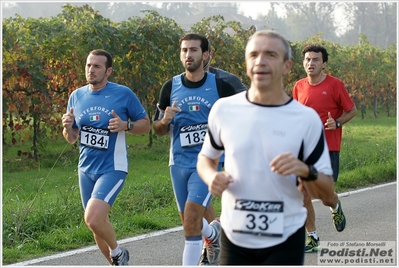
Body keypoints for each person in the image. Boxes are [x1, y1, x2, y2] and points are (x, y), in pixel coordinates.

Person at [196, 29, 340, 265]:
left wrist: (305, 170)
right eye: (254, 54)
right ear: (246, 63)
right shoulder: (224, 109)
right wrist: (211, 176)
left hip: (285, 237)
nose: (260, 61)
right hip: (236, 235)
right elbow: (205, 159)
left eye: (270, 54)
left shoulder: (305, 119)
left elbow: (326, 189)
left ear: (286, 66)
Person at [153, 33, 237, 266]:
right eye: (184, 50)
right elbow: (158, 130)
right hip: (178, 163)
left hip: (209, 162)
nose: (188, 55)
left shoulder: (221, 86)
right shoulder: (170, 87)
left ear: (206, 54)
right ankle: (213, 235)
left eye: (193, 50)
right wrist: (165, 120)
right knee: (190, 221)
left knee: (191, 218)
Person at [61, 49, 151, 266]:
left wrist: (125, 125)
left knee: (92, 217)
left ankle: (119, 253)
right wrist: (66, 128)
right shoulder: (77, 95)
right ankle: (116, 263)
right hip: (85, 169)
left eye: (97, 66)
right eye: (88, 65)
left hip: (112, 167)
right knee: (96, 224)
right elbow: (72, 138)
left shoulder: (123, 94)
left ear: (108, 70)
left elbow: (146, 126)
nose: (91, 70)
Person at [292, 44, 357, 252]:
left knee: (324, 196)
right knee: (302, 191)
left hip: (329, 147)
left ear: (324, 63)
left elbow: (351, 110)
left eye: (315, 60)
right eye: (308, 60)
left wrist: (337, 123)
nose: (311, 63)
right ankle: (312, 238)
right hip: (305, 149)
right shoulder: (299, 86)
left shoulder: (335, 85)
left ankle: (335, 205)